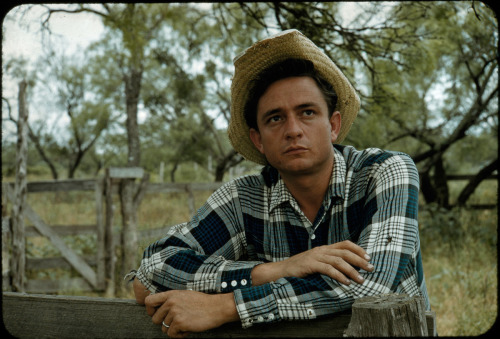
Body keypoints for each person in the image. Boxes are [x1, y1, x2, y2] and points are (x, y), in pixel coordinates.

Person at [129, 29, 430, 338]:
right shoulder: (244, 198)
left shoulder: (385, 172)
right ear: (258, 140)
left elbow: (372, 284)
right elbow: (151, 272)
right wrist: (277, 269)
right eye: (275, 118)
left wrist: (227, 306)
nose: (293, 130)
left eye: (307, 112)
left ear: (333, 125)